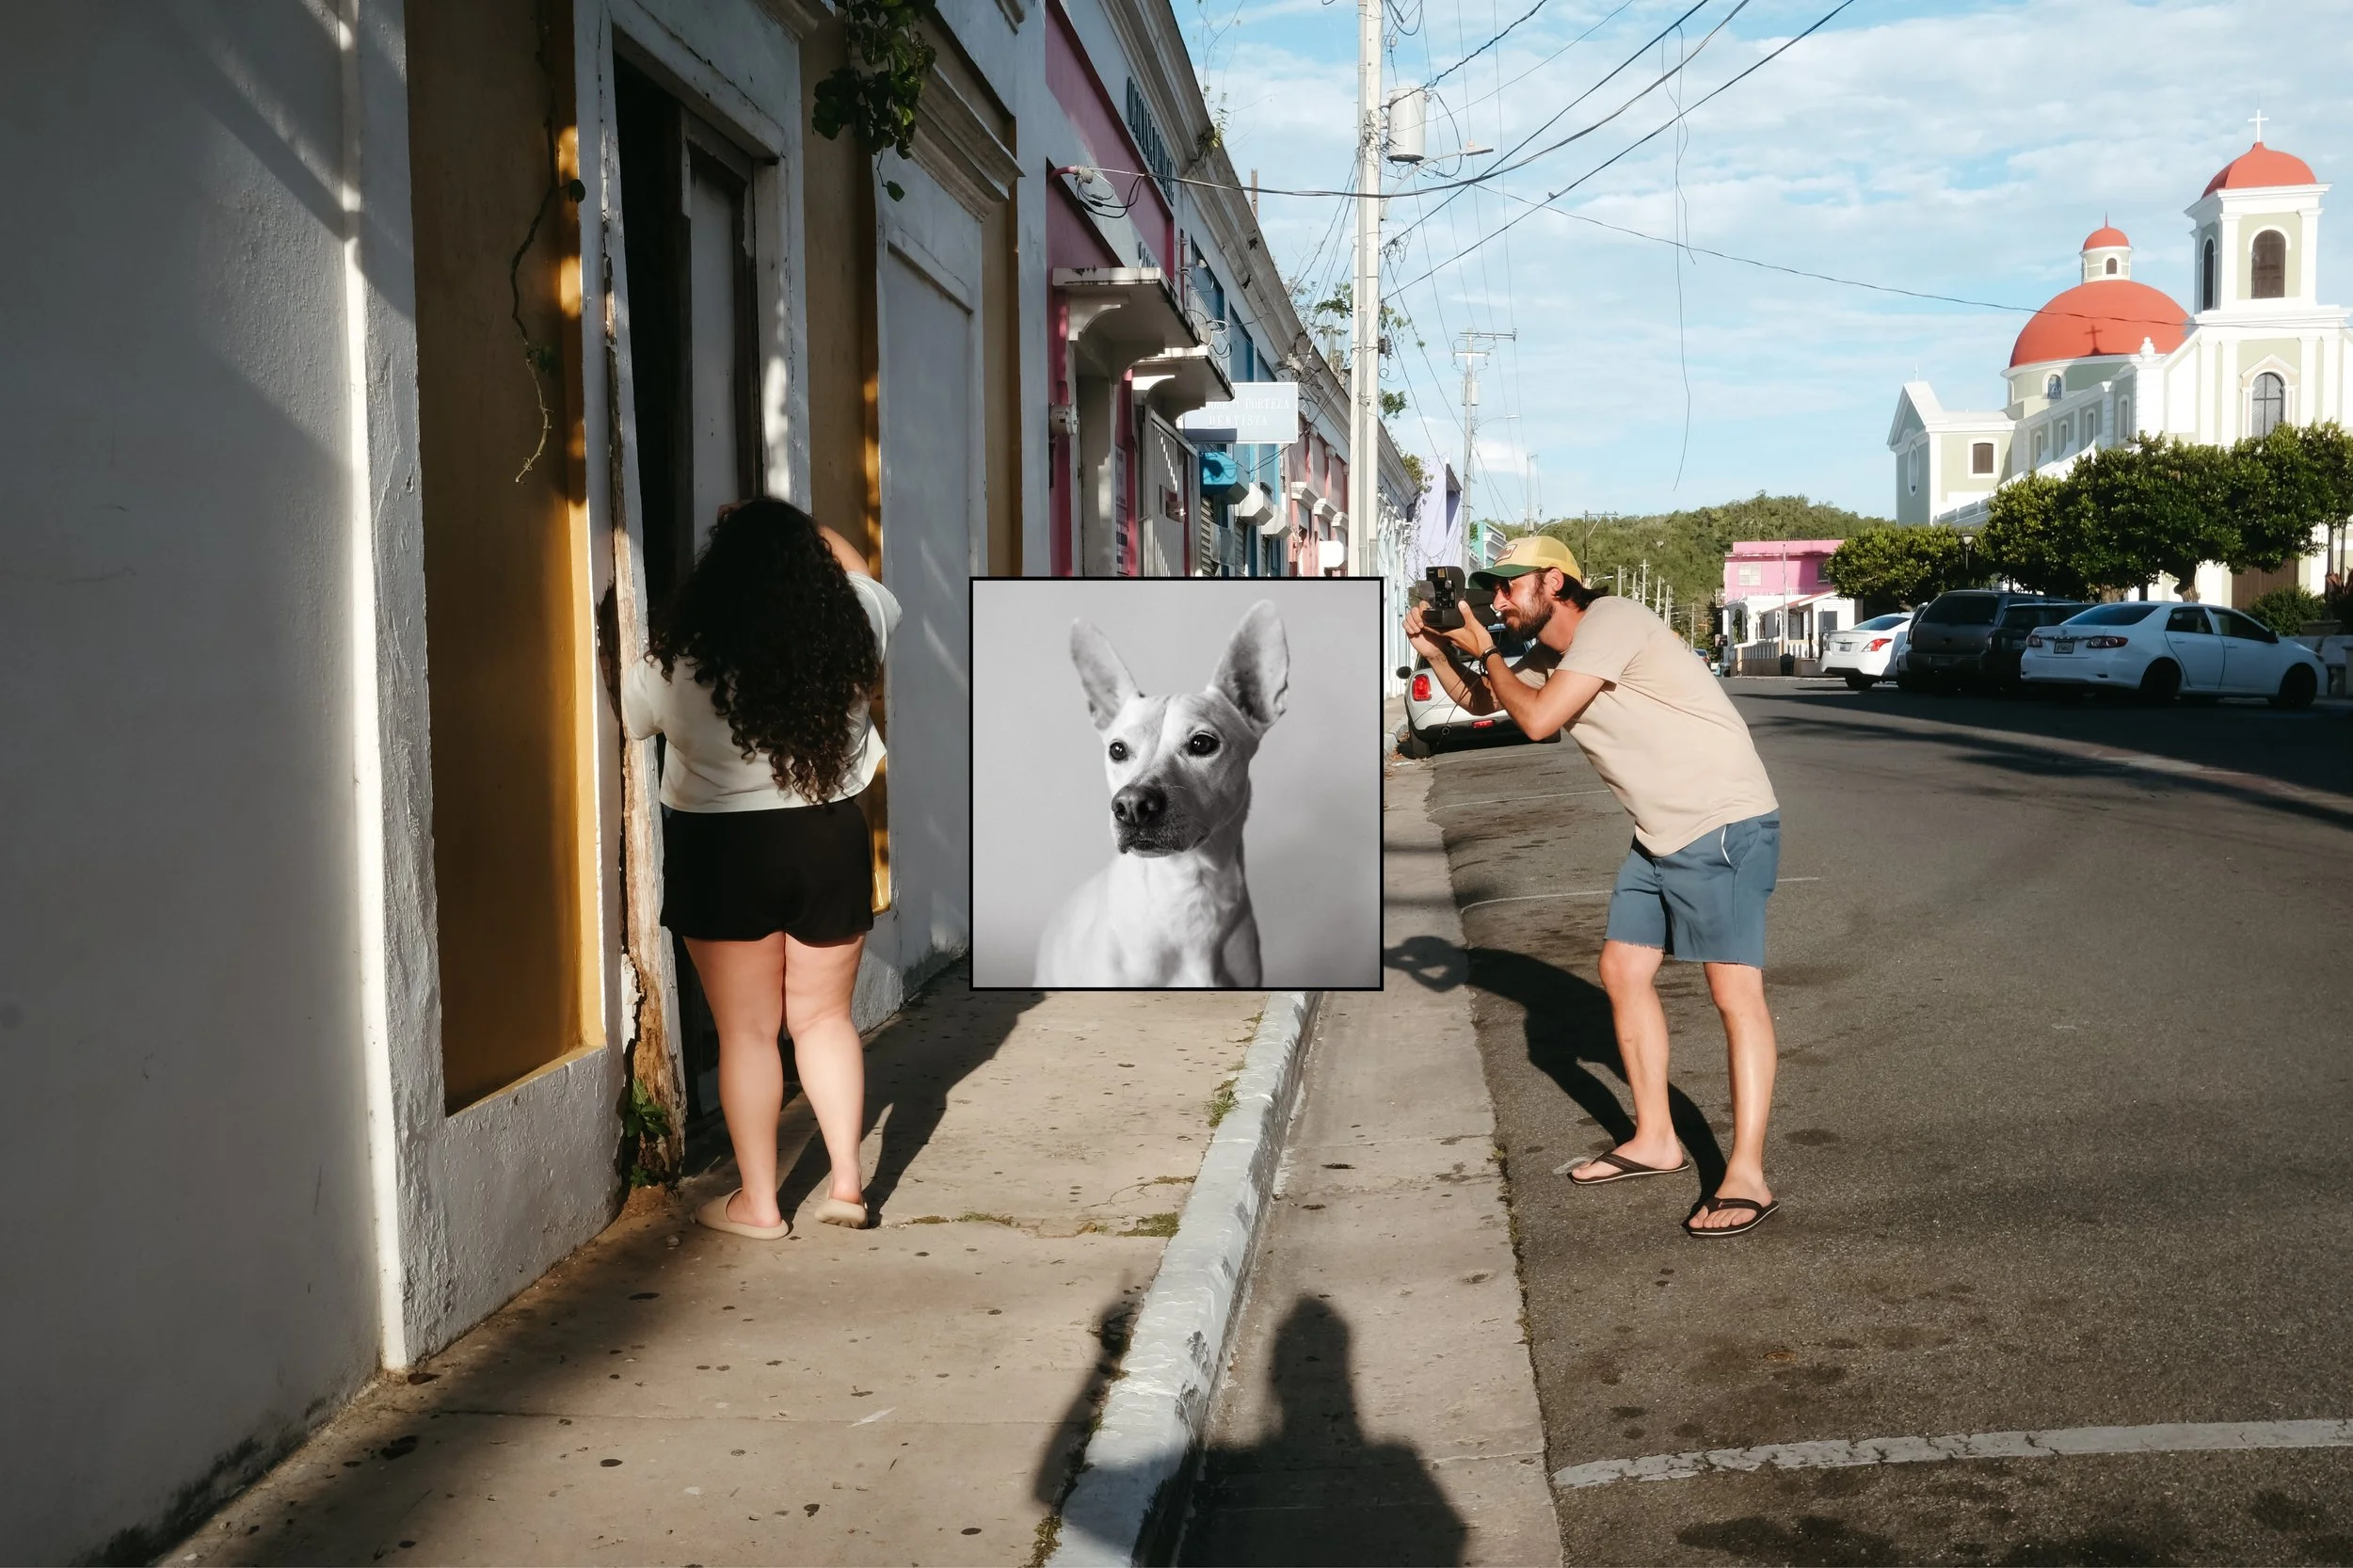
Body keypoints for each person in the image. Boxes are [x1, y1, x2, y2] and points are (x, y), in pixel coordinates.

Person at [1404, 536, 1784, 1238]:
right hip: (1660, 832)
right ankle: (1657, 1139)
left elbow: (1541, 717)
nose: (1499, 600)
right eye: (1493, 591)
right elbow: (1497, 704)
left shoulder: (1612, 622)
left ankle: (1748, 1173)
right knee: (1622, 968)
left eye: (1511, 588)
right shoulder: (1561, 653)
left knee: (1734, 993)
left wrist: (1482, 645)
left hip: (1722, 822)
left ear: (1555, 582)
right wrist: (1437, 650)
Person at [602, 497, 900, 1240]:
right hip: (827, 836)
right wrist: (794, 521)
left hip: (723, 849)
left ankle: (760, 1207)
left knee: (747, 1035)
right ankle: (846, 1186)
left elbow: (630, 719)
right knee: (826, 1019)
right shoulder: (853, 632)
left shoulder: (673, 661)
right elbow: (856, 566)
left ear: (716, 578)